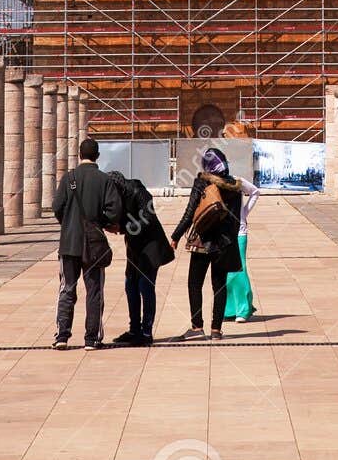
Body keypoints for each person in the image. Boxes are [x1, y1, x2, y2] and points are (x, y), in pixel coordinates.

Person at [52, 137, 121, 350]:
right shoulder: (104, 180)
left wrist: (69, 223)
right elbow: (114, 210)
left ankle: (62, 335)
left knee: (67, 289)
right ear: (97, 156)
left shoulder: (68, 178)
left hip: (69, 243)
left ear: (79, 155)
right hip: (94, 244)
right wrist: (101, 223)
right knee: (94, 291)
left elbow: (57, 207)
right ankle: (91, 338)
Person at [170, 146, 243, 339]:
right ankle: (216, 330)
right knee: (219, 286)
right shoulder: (235, 186)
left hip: (202, 241)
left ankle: (196, 328)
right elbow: (236, 219)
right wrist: (230, 242)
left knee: (194, 283)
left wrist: (175, 236)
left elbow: (190, 212)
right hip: (224, 243)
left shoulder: (202, 182)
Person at [106, 170, 175, 346]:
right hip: (135, 247)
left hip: (150, 247)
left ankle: (146, 332)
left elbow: (148, 217)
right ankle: (134, 329)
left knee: (146, 287)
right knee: (130, 286)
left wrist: (123, 228)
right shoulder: (117, 197)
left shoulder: (137, 190)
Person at [223, 175, 259, 321]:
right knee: (226, 272)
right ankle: (229, 309)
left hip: (239, 232)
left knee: (239, 269)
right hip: (221, 234)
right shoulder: (210, 182)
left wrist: (244, 213)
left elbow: (255, 192)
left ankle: (243, 309)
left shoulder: (236, 180)